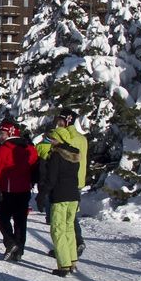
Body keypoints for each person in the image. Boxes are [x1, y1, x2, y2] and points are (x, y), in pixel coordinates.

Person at [0, 120, 39, 261]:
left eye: (3, 133)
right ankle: (19, 250)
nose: (1, 136)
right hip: (24, 190)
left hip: (8, 190)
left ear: (10, 134)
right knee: (20, 220)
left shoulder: (4, 149)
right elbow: (35, 164)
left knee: (2, 216)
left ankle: (10, 243)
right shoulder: (29, 148)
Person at [46, 109, 89, 255]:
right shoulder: (82, 138)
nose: (58, 123)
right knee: (71, 216)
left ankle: (73, 244)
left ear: (66, 121)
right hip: (79, 179)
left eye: (60, 120)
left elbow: (61, 155)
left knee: (62, 220)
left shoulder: (66, 138)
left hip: (66, 179)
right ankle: (72, 245)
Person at [37, 137, 81, 277]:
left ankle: (64, 264)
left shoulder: (56, 156)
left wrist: (42, 194)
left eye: (51, 139)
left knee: (58, 230)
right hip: (74, 196)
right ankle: (72, 259)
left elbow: (51, 179)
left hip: (60, 197)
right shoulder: (74, 155)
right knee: (69, 228)